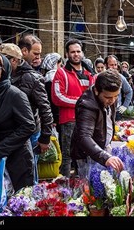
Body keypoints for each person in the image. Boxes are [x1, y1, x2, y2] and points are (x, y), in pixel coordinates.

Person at [0, 52, 36, 191]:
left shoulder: (15, 94)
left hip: (16, 161)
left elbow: (28, 126)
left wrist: (1, 150)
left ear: (4, 72)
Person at [0, 43, 53, 184]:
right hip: (6, 133)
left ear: (14, 60)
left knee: (28, 172)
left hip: (29, 133)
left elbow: (45, 109)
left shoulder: (33, 77)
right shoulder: (0, 76)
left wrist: (45, 137)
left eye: (4, 59)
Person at [52, 39, 95, 177]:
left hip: (86, 120)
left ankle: (84, 186)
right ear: (67, 54)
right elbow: (58, 97)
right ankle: (65, 188)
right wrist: (81, 102)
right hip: (69, 120)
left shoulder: (89, 74)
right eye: (72, 52)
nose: (76, 54)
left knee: (86, 154)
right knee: (67, 156)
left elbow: (94, 96)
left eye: (78, 51)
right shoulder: (61, 73)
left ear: (82, 53)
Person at [71, 69, 124, 177]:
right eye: (108, 97)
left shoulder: (110, 98)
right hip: (87, 156)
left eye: (116, 96)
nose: (113, 100)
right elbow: (84, 137)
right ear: (96, 90)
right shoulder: (87, 105)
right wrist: (105, 157)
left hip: (102, 150)